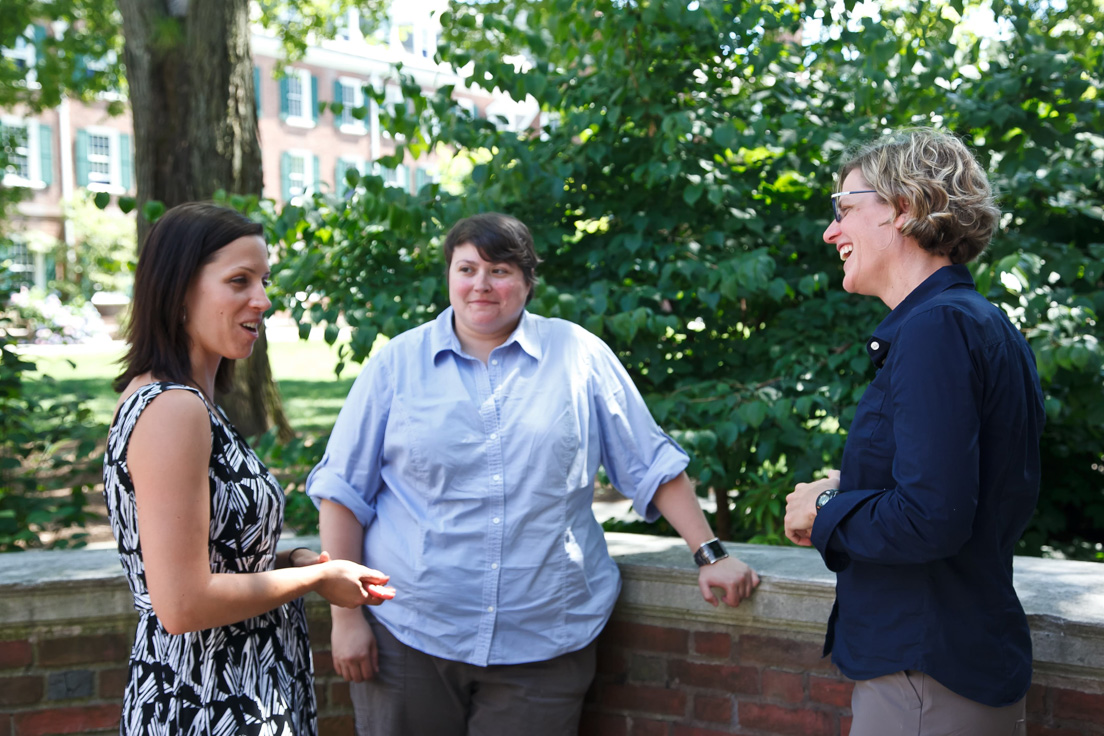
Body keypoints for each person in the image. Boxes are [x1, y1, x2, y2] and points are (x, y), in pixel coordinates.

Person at [307, 212, 760, 736]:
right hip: (410, 634)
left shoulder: (579, 355)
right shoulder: (395, 366)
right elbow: (342, 493)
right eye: (467, 268)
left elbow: (650, 464)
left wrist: (710, 554)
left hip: (546, 638)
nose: (481, 284)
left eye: (499, 270)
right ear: (448, 276)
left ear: (526, 281)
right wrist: (346, 618)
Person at [783, 128, 1044, 735]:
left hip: (927, 682)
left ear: (904, 208)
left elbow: (932, 517)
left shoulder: (936, 330)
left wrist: (824, 509)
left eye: (845, 209)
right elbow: (962, 483)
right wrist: (851, 483)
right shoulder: (975, 323)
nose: (831, 232)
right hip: (949, 667)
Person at [102, 202, 394, 736]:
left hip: (240, 689)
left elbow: (218, 556)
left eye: (263, 280)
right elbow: (183, 604)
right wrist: (318, 576)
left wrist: (299, 558)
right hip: (207, 701)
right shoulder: (172, 409)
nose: (262, 300)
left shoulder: (191, 404)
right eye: (239, 281)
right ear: (179, 289)